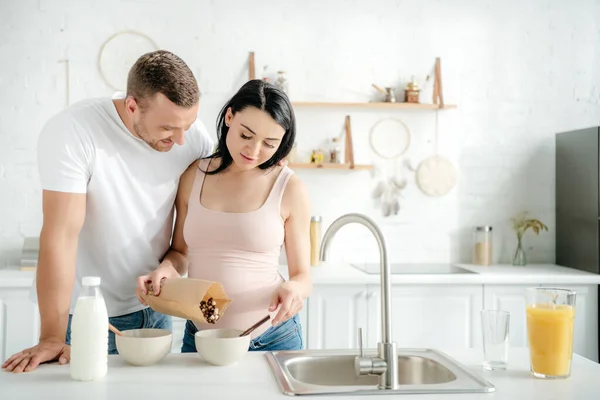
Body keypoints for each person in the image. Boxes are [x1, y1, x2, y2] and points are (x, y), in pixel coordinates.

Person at [2, 50, 214, 373]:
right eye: (169, 128)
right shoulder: (74, 132)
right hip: (85, 316)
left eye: (188, 124)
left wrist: (170, 268)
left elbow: (182, 247)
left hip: (156, 312)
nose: (182, 139)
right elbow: (60, 237)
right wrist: (51, 337)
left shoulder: (194, 140)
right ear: (132, 107)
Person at [136, 79, 313, 352]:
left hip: (271, 338)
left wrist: (294, 290)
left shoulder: (289, 187)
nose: (253, 152)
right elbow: (180, 253)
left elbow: (303, 276)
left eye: (269, 143)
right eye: (246, 135)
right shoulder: (194, 175)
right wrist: (165, 270)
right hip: (201, 339)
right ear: (229, 116)